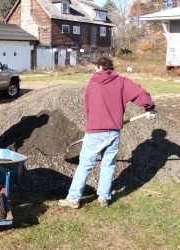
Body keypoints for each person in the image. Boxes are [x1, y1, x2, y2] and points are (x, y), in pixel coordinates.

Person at [59, 57, 155, 209]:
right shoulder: (122, 82)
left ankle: (73, 199)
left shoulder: (93, 82)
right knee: (108, 165)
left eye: (95, 67)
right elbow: (140, 93)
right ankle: (104, 197)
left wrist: (90, 127)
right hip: (113, 132)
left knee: (85, 165)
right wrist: (149, 107)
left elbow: (90, 107)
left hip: (95, 132)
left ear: (99, 66)